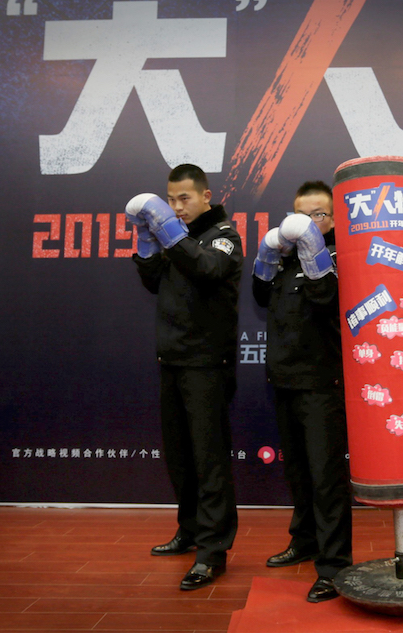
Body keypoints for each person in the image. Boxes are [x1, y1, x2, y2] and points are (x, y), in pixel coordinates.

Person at [126, 163, 242, 591]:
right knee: (181, 457)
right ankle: (190, 531)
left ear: (206, 196)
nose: (176, 207)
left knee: (209, 460)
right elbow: (153, 282)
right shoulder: (175, 237)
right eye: (170, 200)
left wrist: (170, 234)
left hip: (206, 364)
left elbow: (207, 270)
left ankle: (212, 553)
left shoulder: (224, 236)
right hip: (172, 360)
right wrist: (146, 241)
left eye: (184, 199)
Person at [251, 181, 353, 603]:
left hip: (321, 383)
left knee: (326, 477)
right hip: (284, 380)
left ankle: (334, 565)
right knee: (298, 471)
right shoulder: (284, 257)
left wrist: (314, 249)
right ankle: (305, 540)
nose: (308, 222)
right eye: (301, 215)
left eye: (318, 215)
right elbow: (259, 296)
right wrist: (267, 255)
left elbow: (326, 298)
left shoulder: (341, 258)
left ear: (333, 218)